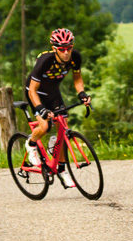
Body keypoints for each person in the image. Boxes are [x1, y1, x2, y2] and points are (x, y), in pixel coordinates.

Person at [26, 28, 91, 173]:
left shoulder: (75, 58)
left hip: (53, 92)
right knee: (45, 126)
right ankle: (31, 144)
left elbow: (77, 78)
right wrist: (41, 109)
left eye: (69, 48)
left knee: (63, 126)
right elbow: (32, 90)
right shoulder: (45, 60)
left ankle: (61, 169)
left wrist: (81, 93)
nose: (66, 52)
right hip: (35, 92)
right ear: (55, 49)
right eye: (62, 49)